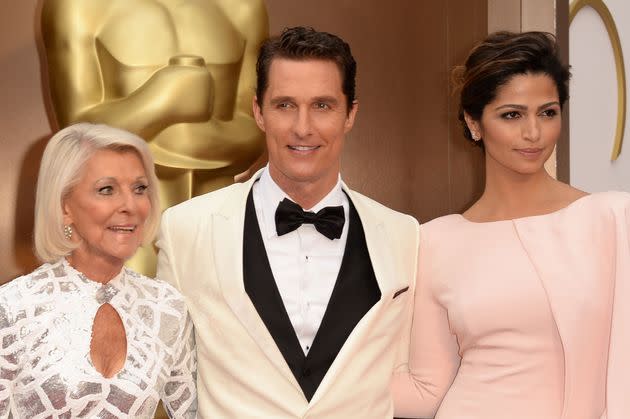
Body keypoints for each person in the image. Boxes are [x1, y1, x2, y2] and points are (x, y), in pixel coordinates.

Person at [157, 26, 419, 418]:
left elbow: (406, 371)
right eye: (284, 105)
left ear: (351, 114)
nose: (303, 127)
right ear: (259, 112)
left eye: (323, 105)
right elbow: (170, 374)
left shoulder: (405, 235)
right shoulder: (185, 228)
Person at [391, 31, 630, 419]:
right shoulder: (435, 240)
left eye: (548, 112)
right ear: (474, 122)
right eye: (512, 115)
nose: (533, 133)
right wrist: (303, 382)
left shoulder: (612, 219)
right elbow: (427, 391)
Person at [41, 0, 269, 275]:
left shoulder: (243, 8)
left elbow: (257, 129)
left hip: (219, 230)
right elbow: (77, 132)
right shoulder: (78, 7)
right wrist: (159, 102)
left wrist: (186, 132)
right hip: (126, 230)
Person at [0, 123, 196, 418]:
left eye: (139, 188)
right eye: (107, 189)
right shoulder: (12, 308)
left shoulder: (167, 308)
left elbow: (194, 412)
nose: (130, 205)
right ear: (65, 205)